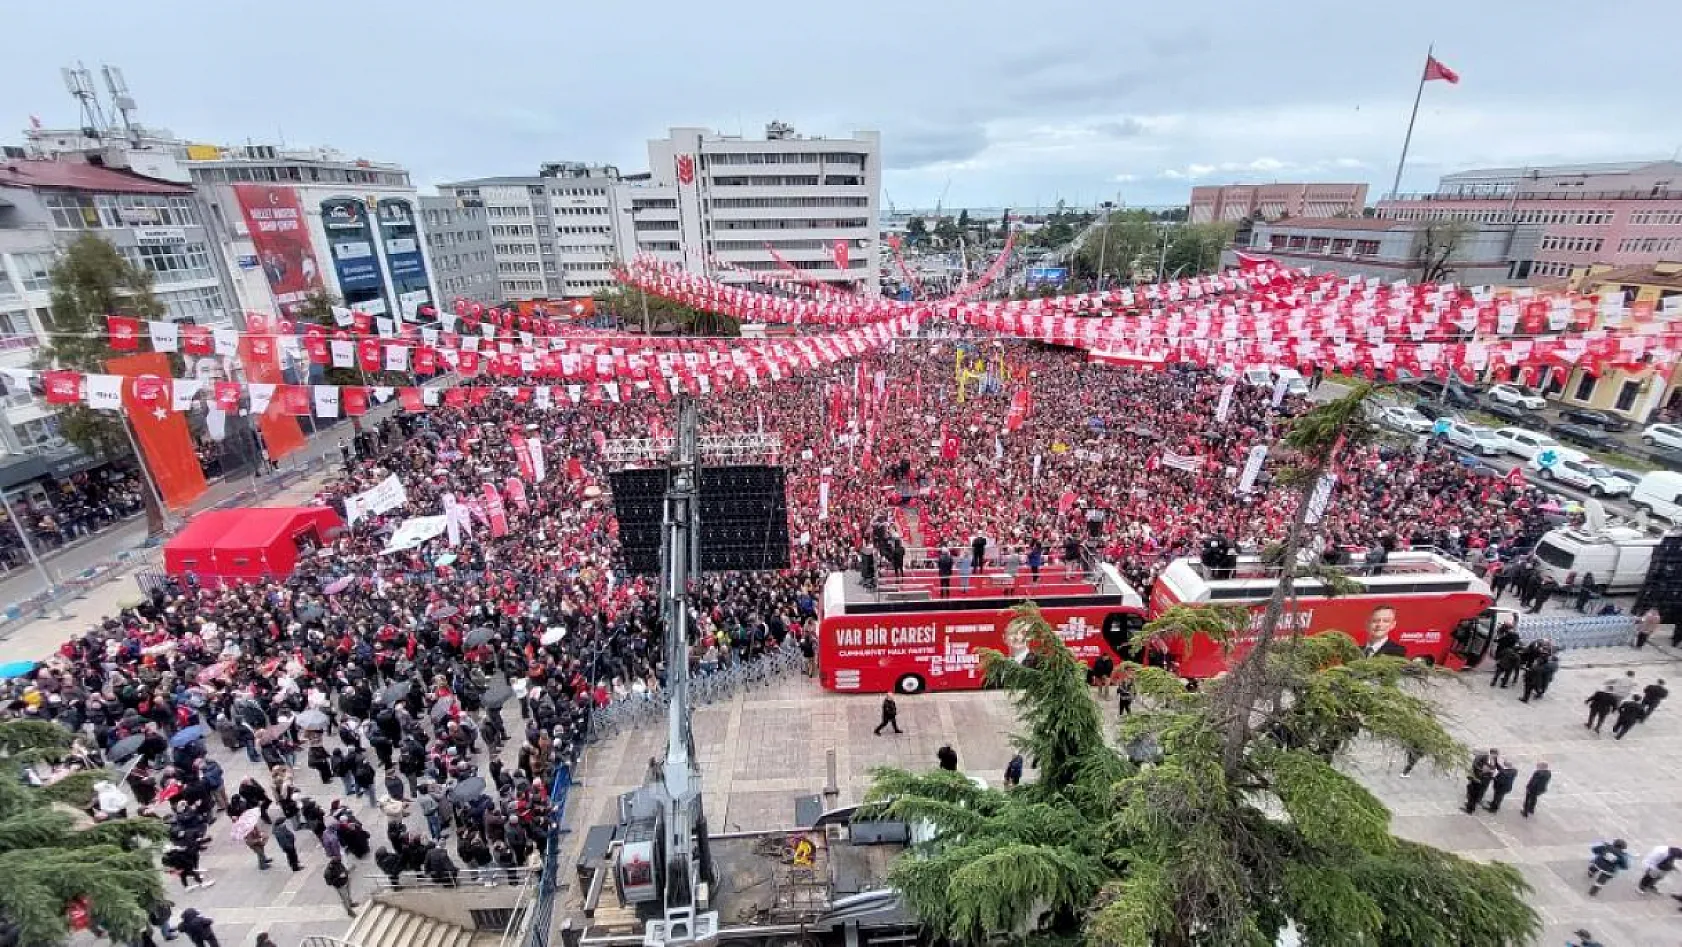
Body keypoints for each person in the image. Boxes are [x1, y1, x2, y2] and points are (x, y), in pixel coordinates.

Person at [1465, 748, 1501, 813]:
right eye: (1495, 755)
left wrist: (1501, 770)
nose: (1496, 756)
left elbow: (1497, 765)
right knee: (1473, 792)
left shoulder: (1494, 758)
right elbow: (1475, 765)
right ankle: (1470, 806)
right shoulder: (1482, 756)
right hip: (1479, 777)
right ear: (1492, 753)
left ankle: (1477, 801)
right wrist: (1482, 770)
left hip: (1487, 778)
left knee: (1482, 790)